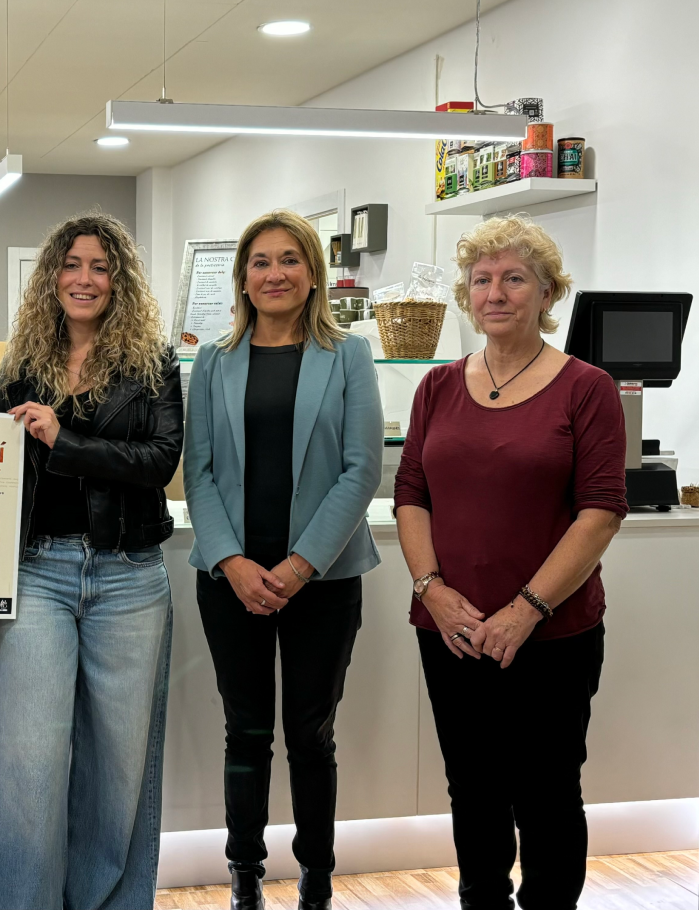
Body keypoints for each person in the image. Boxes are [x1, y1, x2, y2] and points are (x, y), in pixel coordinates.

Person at [394, 216, 626, 910]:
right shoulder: (436, 386)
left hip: (551, 634)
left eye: (514, 278)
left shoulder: (585, 387)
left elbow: (601, 511)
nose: (494, 292)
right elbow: (411, 495)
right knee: (472, 788)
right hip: (451, 631)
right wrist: (431, 590)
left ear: (547, 292)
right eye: (481, 279)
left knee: (547, 792)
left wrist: (525, 610)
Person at [0, 212, 182, 910]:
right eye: (71, 264)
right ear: (51, 277)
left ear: (118, 279)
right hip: (36, 572)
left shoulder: (153, 364)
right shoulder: (23, 365)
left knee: (119, 766)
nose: (84, 278)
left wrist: (66, 440)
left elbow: (159, 462)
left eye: (99, 266)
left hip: (128, 576)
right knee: (27, 762)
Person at [183, 210, 383, 910]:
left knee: (310, 734)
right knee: (245, 731)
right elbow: (198, 471)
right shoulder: (212, 359)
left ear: (312, 274)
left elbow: (360, 471)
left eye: (289, 259)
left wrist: (299, 565)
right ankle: (243, 876)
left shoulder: (348, 355)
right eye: (261, 261)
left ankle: (316, 880)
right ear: (242, 276)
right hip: (229, 579)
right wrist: (230, 560)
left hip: (323, 579)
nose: (275, 273)